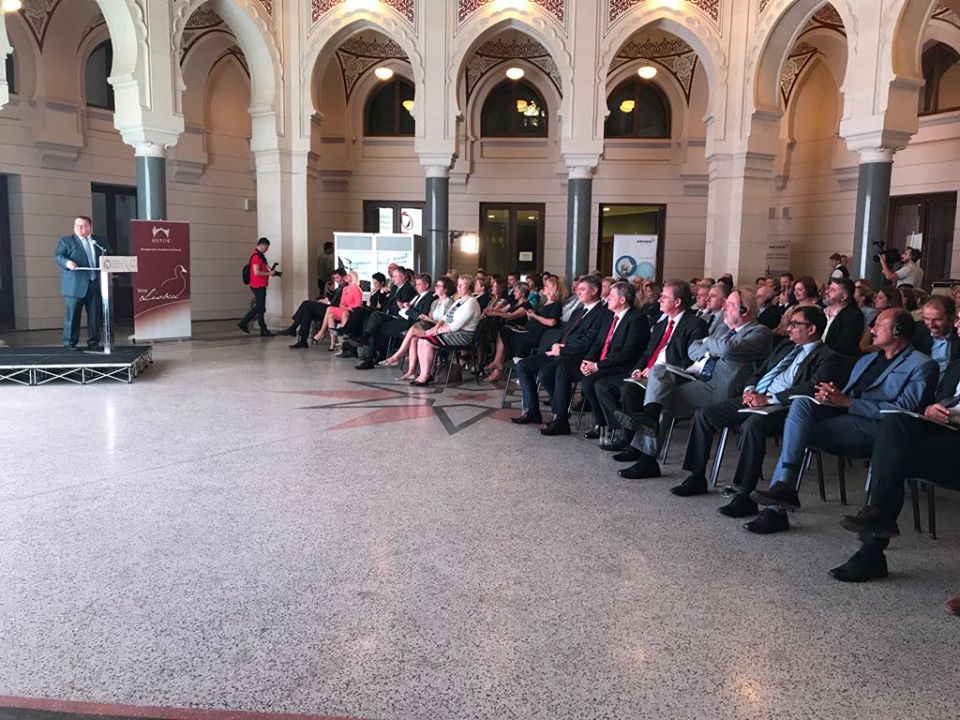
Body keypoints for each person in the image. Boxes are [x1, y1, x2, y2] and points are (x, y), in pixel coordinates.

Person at [750, 309, 939, 535]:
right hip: (845, 416)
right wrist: (830, 396)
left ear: (898, 331)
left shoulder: (922, 364)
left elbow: (902, 410)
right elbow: (848, 394)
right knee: (801, 403)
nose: (872, 330)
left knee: (797, 433)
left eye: (878, 325)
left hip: (879, 427)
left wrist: (848, 403)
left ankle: (776, 509)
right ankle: (784, 486)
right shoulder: (867, 359)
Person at [671, 305, 848, 503]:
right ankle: (696, 477)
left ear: (812, 329)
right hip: (756, 397)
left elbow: (809, 388)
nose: (788, 328)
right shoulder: (786, 347)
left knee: (752, 426)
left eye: (795, 324)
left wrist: (769, 399)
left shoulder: (829, 357)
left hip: (785, 408)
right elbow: (760, 371)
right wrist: (750, 389)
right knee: (704, 415)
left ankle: (744, 494)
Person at [615, 286, 773, 479]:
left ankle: (647, 456)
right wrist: (710, 345)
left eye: (730, 305)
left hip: (722, 388)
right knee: (659, 371)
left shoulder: (760, 332)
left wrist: (708, 343)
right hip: (698, 377)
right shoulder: (724, 329)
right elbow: (693, 349)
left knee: (662, 399)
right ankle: (650, 416)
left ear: (745, 310)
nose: (725, 308)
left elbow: (728, 349)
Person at [831, 357, 960, 583]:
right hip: (945, 435)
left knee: (893, 456)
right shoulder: (957, 365)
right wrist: (930, 410)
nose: (957, 334)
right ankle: (876, 523)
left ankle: (871, 552)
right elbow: (935, 402)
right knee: (894, 426)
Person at [591, 280, 708, 452]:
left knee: (629, 390)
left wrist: (657, 369)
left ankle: (633, 445)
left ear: (677, 302)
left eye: (664, 297)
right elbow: (647, 353)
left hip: (671, 376)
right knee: (603, 385)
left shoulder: (695, 324)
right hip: (646, 374)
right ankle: (626, 431)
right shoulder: (661, 325)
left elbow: (691, 359)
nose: (659, 299)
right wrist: (638, 369)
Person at [540, 281, 649, 437]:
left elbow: (628, 353)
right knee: (563, 369)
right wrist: (587, 361)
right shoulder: (610, 316)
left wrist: (597, 366)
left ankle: (602, 423)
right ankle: (561, 419)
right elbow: (598, 343)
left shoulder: (637, 319)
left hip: (620, 366)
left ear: (622, 300)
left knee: (589, 383)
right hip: (600, 362)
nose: (607, 298)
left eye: (611, 296)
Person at [511, 276, 606, 425]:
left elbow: (590, 341)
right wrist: (556, 345)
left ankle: (560, 415)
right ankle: (532, 411)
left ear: (594, 291)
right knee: (523, 365)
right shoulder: (578, 312)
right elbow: (564, 332)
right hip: (560, 351)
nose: (578, 292)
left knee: (545, 373)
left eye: (582, 289)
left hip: (577, 356)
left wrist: (563, 349)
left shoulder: (603, 313)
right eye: (578, 289)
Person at [485, 275, 563, 381]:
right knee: (504, 331)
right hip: (529, 330)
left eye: (546, 286)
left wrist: (534, 316)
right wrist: (531, 316)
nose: (544, 287)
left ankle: (499, 365)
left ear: (553, 289)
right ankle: (498, 363)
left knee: (506, 333)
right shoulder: (545, 303)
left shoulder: (556, 304)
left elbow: (552, 322)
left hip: (536, 336)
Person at [409, 275, 482, 386]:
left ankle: (425, 376)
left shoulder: (471, 302)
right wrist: (434, 328)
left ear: (469, 287)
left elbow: (455, 326)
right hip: (453, 333)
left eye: (462, 285)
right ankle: (424, 374)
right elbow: (444, 318)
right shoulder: (459, 301)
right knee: (421, 339)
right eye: (458, 285)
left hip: (463, 336)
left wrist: (436, 332)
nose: (458, 287)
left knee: (428, 342)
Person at [53, 215, 111, 350]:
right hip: (75, 285)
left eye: (83, 226)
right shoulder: (66, 241)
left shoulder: (99, 241)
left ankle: (93, 342)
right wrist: (67, 262)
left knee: (94, 316)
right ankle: (69, 342)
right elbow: (58, 256)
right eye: (77, 226)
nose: (79, 228)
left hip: (95, 283)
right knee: (73, 315)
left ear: (89, 227)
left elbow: (109, 255)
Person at [383, 276, 456, 378]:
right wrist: (428, 319)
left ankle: (397, 356)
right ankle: (411, 372)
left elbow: (447, 322)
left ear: (446, 289)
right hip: (431, 328)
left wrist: (429, 320)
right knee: (413, 338)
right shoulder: (435, 302)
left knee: (413, 330)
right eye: (436, 285)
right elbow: (431, 318)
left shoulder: (450, 303)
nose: (435, 287)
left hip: (441, 332)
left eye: (439, 286)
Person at [286, 267, 347, 348]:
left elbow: (341, 303)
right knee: (306, 313)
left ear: (344, 277)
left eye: (337, 277)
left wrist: (328, 302)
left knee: (306, 303)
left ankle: (293, 328)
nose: (336, 280)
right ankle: (302, 341)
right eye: (335, 278)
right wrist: (326, 299)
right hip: (328, 307)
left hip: (333, 310)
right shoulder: (339, 287)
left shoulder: (346, 287)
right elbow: (333, 297)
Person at [309, 270, 362, 350]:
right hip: (343, 310)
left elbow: (358, 305)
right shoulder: (345, 288)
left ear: (353, 277)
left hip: (351, 312)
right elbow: (341, 302)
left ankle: (322, 332)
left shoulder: (357, 289)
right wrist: (342, 306)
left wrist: (347, 307)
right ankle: (332, 342)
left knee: (330, 309)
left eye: (348, 276)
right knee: (330, 315)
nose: (346, 277)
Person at [238, 237, 280, 337]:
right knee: (260, 307)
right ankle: (244, 322)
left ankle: (263, 330)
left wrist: (272, 273)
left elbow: (262, 270)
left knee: (261, 308)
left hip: (260, 284)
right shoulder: (256, 257)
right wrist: (269, 273)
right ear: (261, 245)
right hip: (257, 285)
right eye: (266, 247)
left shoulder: (260, 256)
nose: (267, 249)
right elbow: (256, 272)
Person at [911, 295, 960, 378]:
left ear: (952, 317)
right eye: (926, 319)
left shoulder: (958, 334)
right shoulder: (915, 332)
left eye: (937, 320)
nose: (931, 325)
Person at [821, 277, 864, 358]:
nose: (827, 291)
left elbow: (843, 348)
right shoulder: (821, 311)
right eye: (828, 288)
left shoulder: (853, 317)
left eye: (832, 290)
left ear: (843, 297)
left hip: (834, 360)